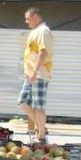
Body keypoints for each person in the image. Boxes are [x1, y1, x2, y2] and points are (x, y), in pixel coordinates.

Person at [19, 7, 54, 143]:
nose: (26, 22)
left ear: (36, 17)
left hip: (39, 74)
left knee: (38, 106)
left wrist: (34, 71)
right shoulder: (35, 31)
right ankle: (42, 128)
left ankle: (41, 136)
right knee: (23, 101)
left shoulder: (43, 31)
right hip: (31, 75)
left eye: (28, 19)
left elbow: (43, 52)